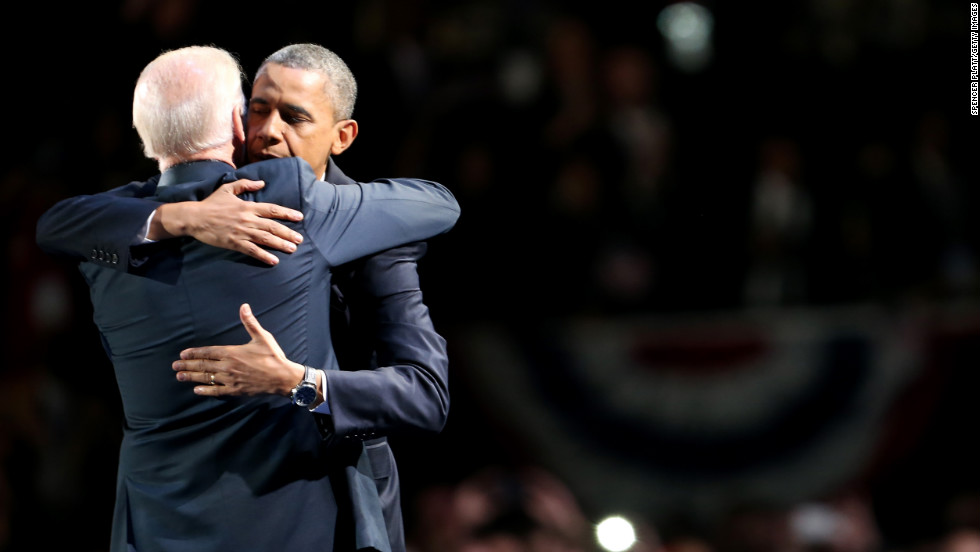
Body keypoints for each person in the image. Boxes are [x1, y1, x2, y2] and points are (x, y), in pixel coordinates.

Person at [34, 45, 459, 551]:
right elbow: (56, 225)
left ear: (342, 136)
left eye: (294, 116)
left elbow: (426, 395)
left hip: (316, 505)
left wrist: (302, 383)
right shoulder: (156, 212)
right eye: (258, 109)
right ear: (235, 120)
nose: (269, 130)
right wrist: (178, 218)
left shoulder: (372, 233)